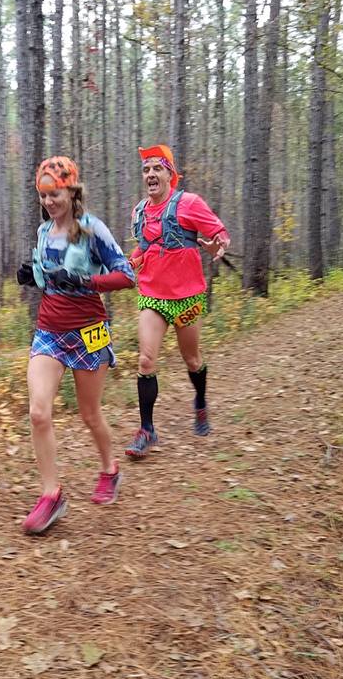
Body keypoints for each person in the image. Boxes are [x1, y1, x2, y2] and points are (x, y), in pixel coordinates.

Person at [16, 156, 135, 534]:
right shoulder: (42, 232)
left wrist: (87, 282)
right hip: (50, 331)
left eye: (56, 193)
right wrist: (31, 276)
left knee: (89, 413)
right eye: (44, 195)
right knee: (38, 412)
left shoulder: (91, 229)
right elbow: (48, 277)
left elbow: (126, 275)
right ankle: (52, 495)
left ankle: (109, 469)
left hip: (90, 331)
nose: (50, 201)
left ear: (72, 190)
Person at [124, 144, 230, 456]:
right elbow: (144, 247)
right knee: (145, 359)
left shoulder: (190, 203)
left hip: (187, 298)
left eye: (157, 168)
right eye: (146, 170)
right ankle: (146, 430)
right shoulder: (140, 211)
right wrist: (128, 263)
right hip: (153, 296)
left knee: (192, 359)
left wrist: (218, 246)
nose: (151, 175)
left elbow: (220, 234)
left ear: (171, 174)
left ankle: (199, 402)